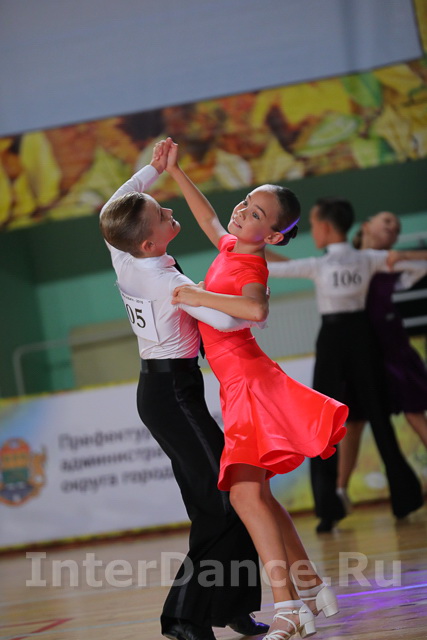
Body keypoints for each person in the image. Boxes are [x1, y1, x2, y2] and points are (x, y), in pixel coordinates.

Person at [167, 139, 348, 640]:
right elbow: (208, 218)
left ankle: (288, 609)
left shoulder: (252, 265)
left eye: (255, 214)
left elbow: (256, 309)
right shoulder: (233, 247)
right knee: (259, 497)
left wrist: (196, 294)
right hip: (240, 383)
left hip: (248, 383)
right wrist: (176, 171)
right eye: (246, 203)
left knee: (246, 497)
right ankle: (309, 588)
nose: (241, 211)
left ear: (271, 236)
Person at [99, 139, 269, 640]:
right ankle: (182, 617)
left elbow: (115, 204)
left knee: (221, 499)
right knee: (224, 500)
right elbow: (227, 320)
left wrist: (152, 171)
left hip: (168, 391)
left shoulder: (123, 250)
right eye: (161, 214)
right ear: (149, 244)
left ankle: (233, 607)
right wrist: (245, 294)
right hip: (171, 394)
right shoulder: (162, 280)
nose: (169, 211)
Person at [266, 198, 425, 533]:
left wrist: (246, 244)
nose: (312, 230)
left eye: (313, 224)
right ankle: (404, 497)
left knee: (325, 421)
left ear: (324, 227)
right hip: (362, 339)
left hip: (335, 340)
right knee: (378, 419)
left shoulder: (324, 264)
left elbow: (276, 268)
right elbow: (283, 266)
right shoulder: (366, 259)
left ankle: (329, 508)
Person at [337, 211, 427, 505]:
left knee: (415, 412)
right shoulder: (343, 260)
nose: (393, 228)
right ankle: (339, 492)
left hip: (393, 349)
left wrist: (403, 256)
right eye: (387, 221)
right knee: (354, 422)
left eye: (397, 228)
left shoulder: (393, 264)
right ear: (366, 225)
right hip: (358, 352)